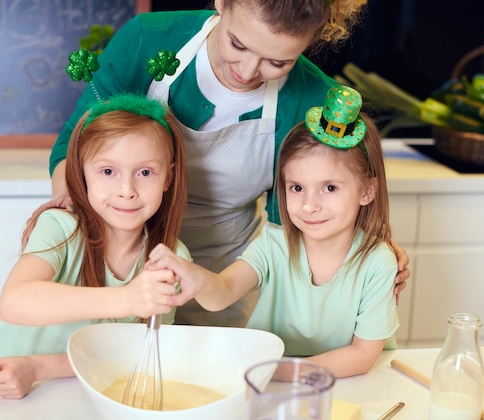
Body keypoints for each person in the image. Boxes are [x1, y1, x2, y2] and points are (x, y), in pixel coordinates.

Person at [42, 0, 409, 328]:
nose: (248, 71)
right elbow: (75, 148)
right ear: (221, 3)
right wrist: (68, 219)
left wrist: (367, 248)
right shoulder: (148, 40)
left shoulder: (312, 103)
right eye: (238, 44)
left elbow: (300, 223)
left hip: (224, 279)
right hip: (113, 266)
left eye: (277, 62)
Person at [149, 86, 399, 378]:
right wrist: (192, 277)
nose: (309, 205)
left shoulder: (377, 263)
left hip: (344, 383)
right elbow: (222, 293)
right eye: (297, 188)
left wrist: (279, 372)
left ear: (367, 191)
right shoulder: (273, 245)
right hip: (271, 382)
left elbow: (362, 355)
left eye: (330, 188)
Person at [0, 94, 189, 399]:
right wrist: (127, 298)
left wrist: (38, 368)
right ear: (82, 173)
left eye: (145, 172)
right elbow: (14, 301)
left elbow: (137, 353)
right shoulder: (61, 227)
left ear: (168, 177)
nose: (127, 190)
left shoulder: (173, 258)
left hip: (80, 387)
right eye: (107, 172)